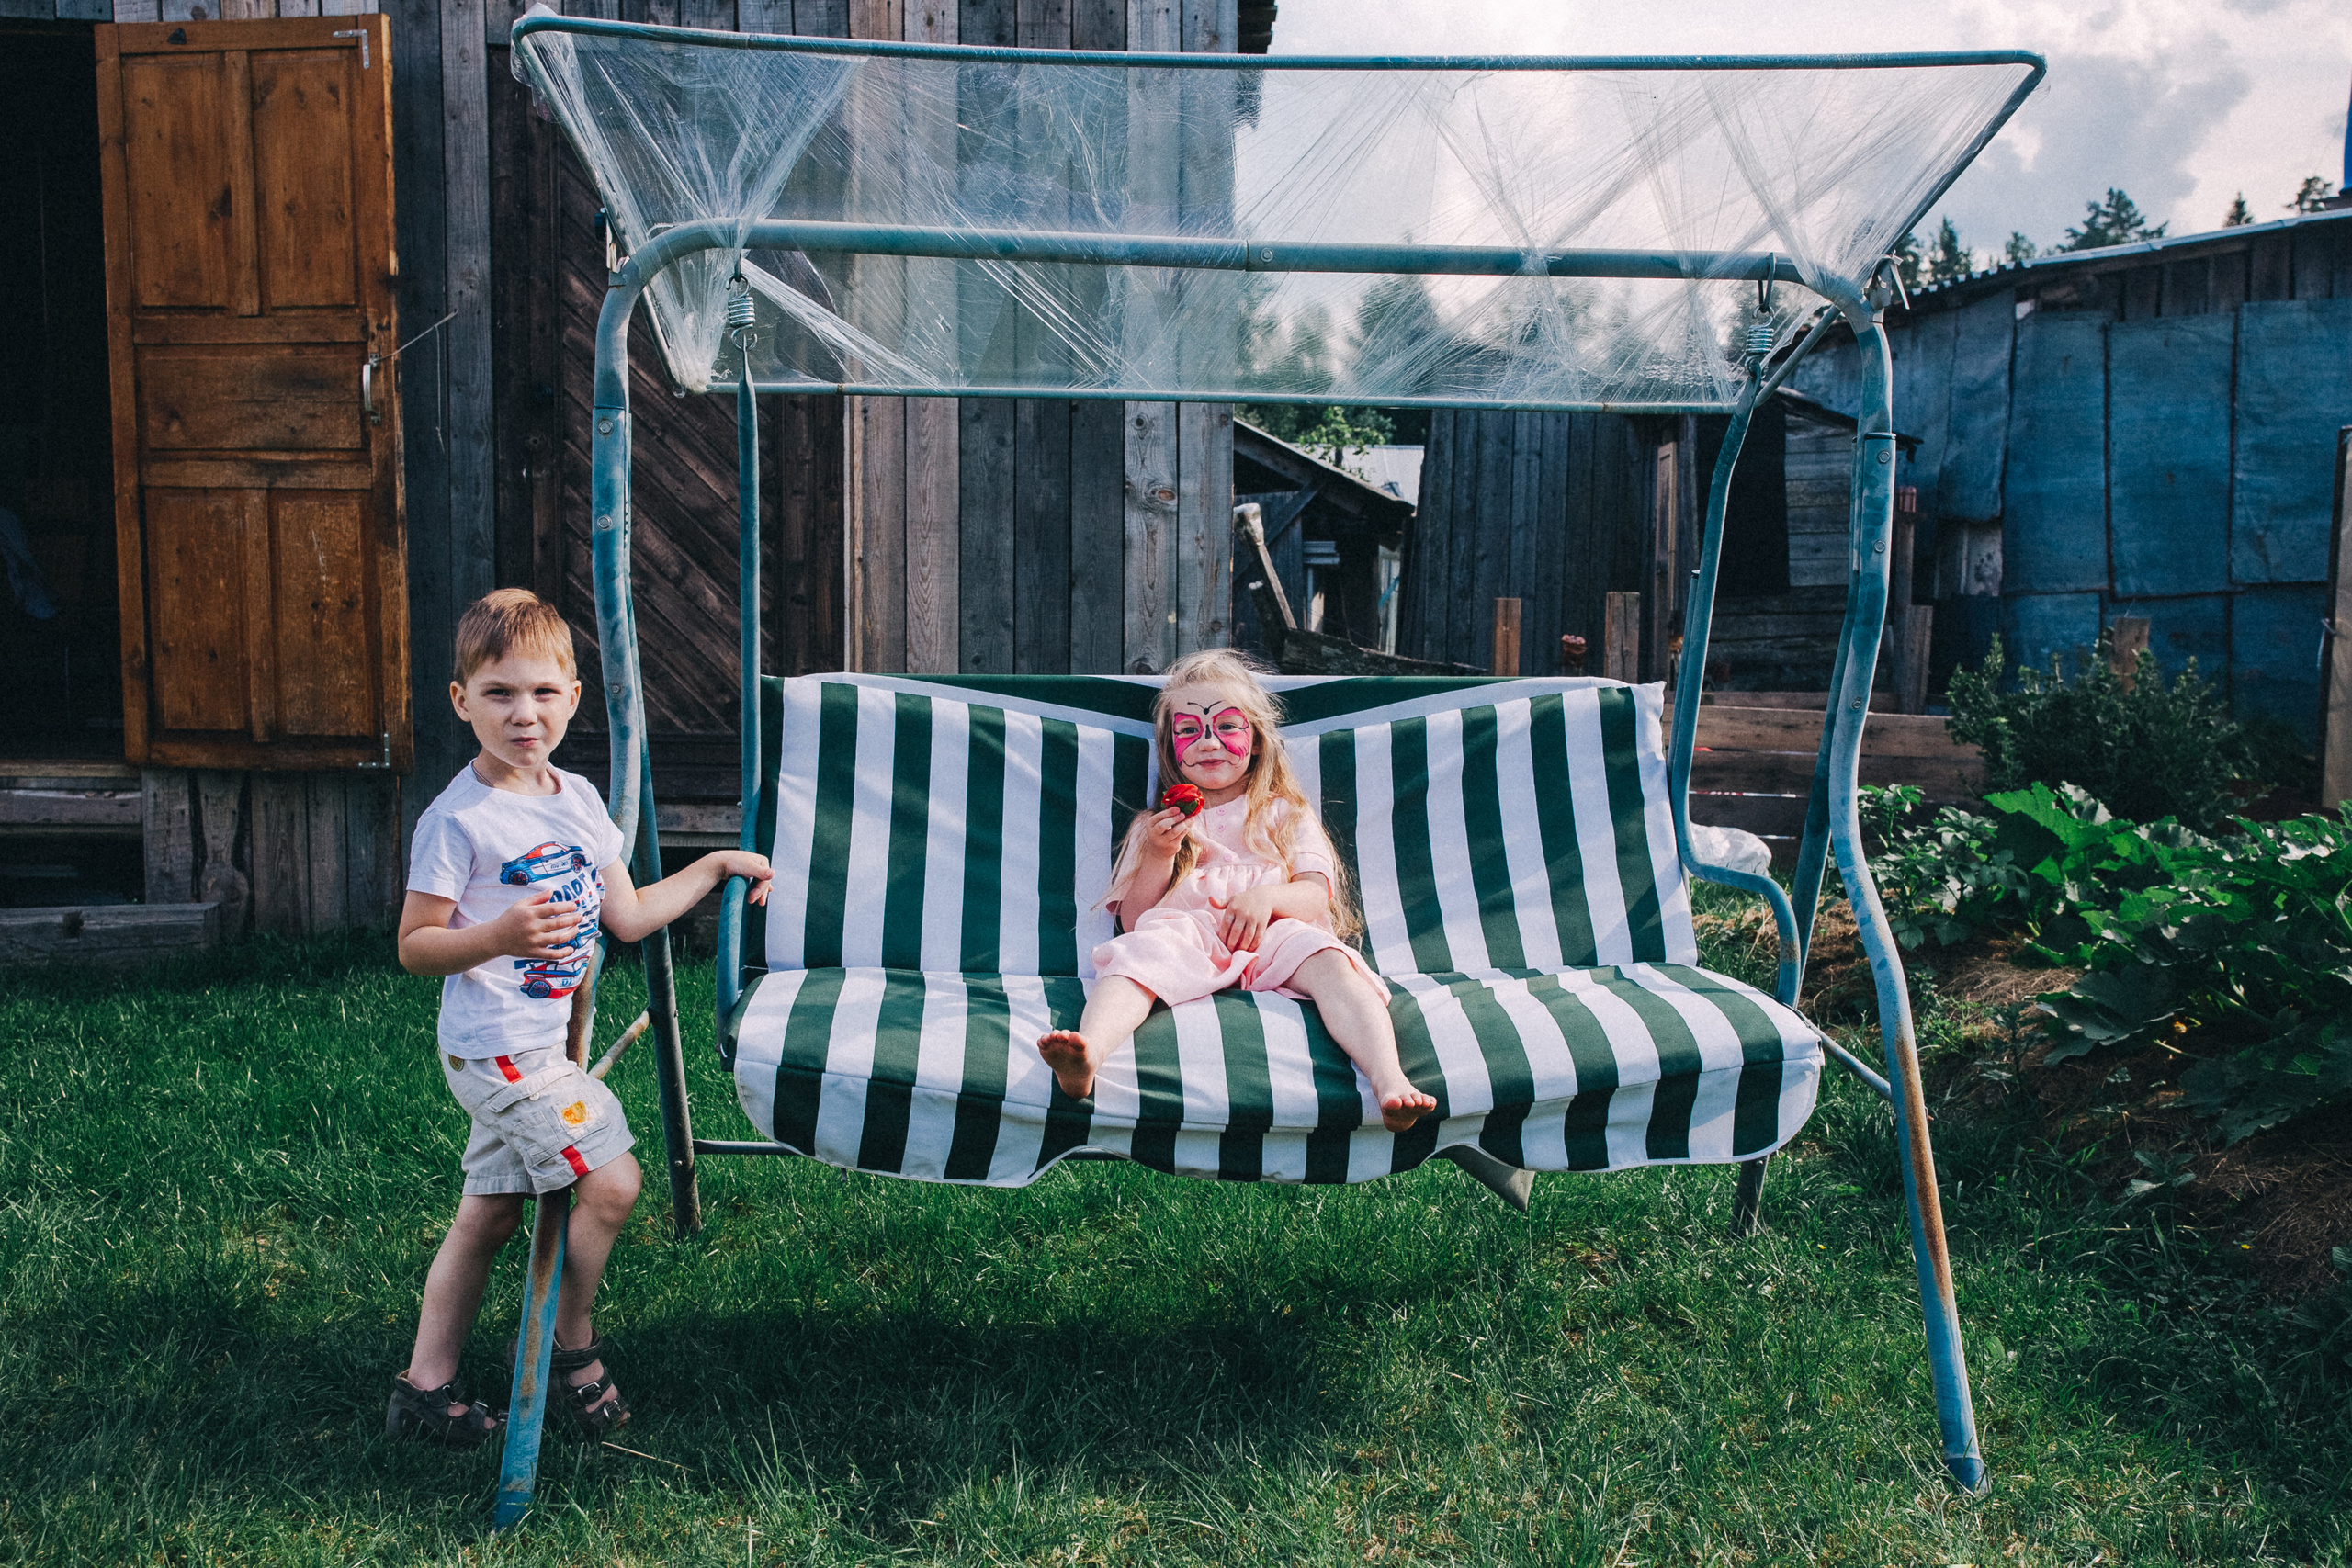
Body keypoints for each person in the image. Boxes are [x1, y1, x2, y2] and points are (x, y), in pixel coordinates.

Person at [386, 590, 773, 1447]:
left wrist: (711, 865)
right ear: (461, 701)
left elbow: (627, 918)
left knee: (487, 1215)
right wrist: (497, 934)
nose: (524, 714)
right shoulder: (460, 819)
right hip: (500, 1053)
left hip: (536, 1051)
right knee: (610, 1180)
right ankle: (571, 1344)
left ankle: (424, 1388)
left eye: (542, 693)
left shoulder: (580, 799)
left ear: (573, 696)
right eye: (498, 694)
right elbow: (415, 945)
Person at [1035, 649, 1437, 1133]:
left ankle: (1389, 1078)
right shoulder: (1158, 825)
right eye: (1189, 730)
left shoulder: (1285, 813)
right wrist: (1161, 854)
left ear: (1258, 741)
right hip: (1188, 934)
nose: (1209, 742)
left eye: (1227, 726)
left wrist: (1267, 899)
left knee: (1335, 966)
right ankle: (1087, 1056)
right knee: (1134, 960)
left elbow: (1315, 893)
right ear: (1169, 747)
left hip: (1278, 932)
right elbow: (1136, 919)